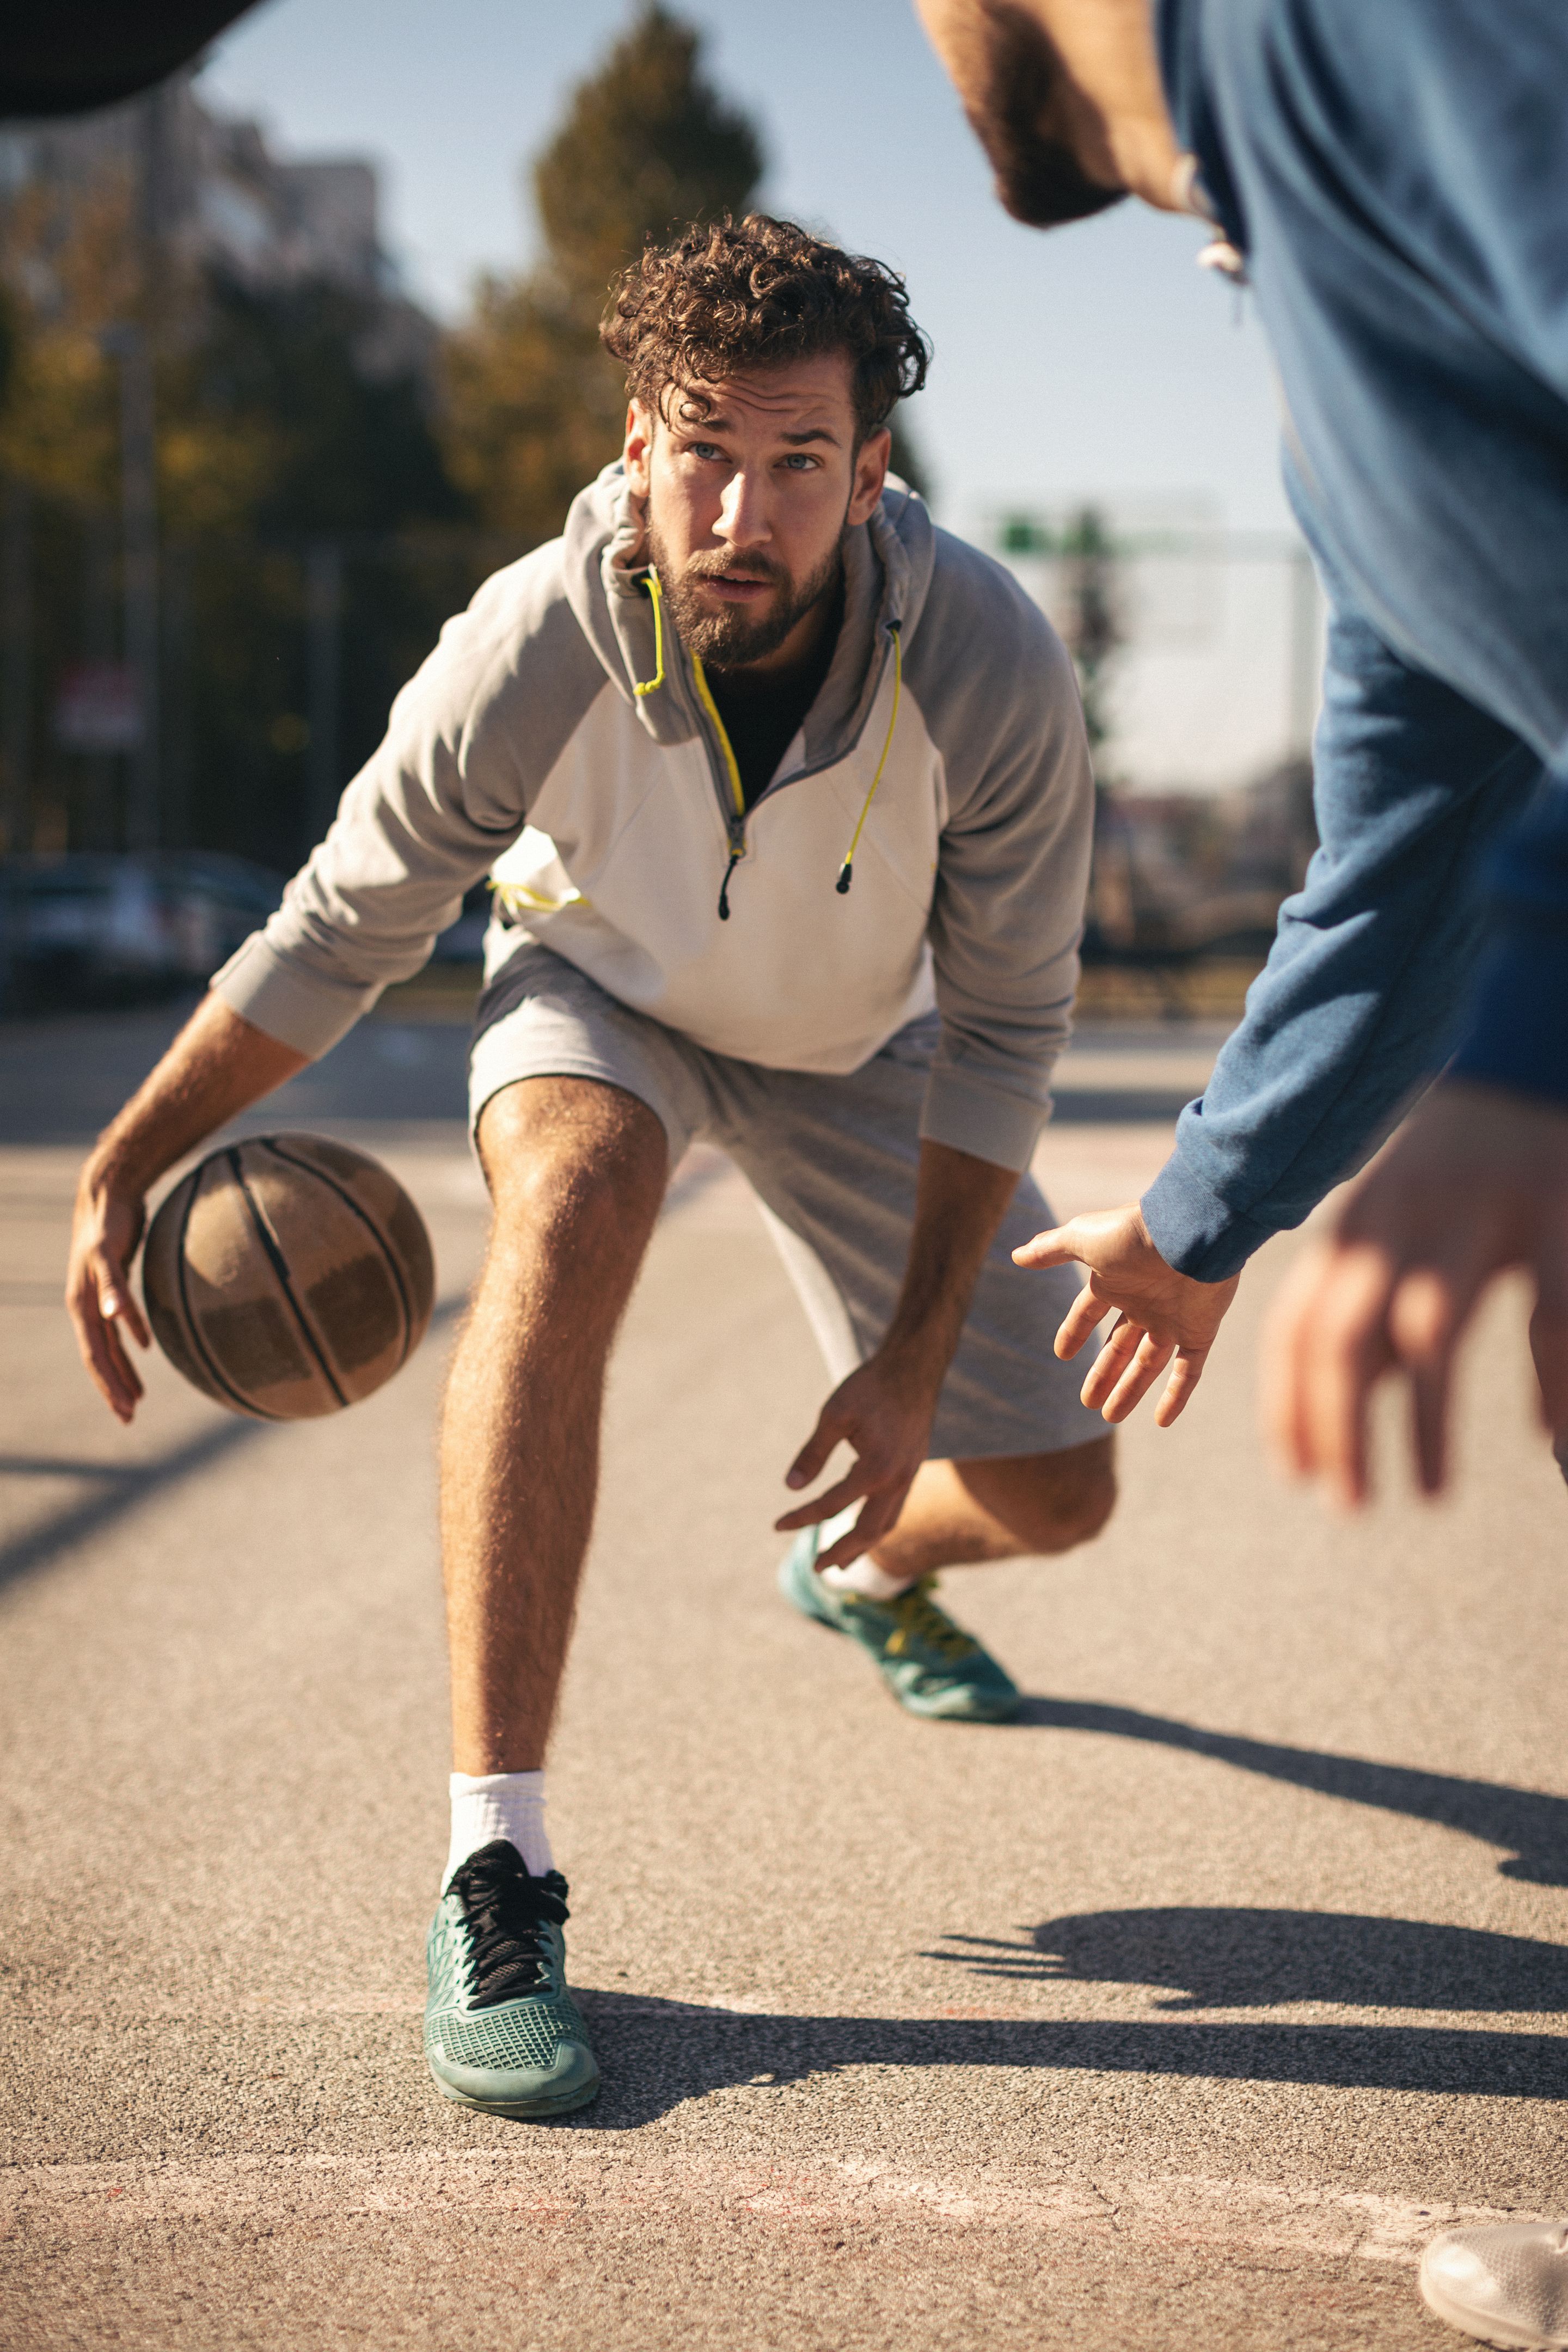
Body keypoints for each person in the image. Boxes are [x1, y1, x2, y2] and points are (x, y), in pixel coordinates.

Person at [66, 215, 1116, 2123]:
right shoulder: (535, 637)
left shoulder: (987, 666)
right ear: (638, 442)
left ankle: (863, 1565)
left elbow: (1011, 1029)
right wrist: (131, 1156)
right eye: (704, 446)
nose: (744, 503)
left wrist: (905, 1368)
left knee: (1053, 1496)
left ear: (872, 478)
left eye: (802, 461)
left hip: (866, 1047)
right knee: (572, 1205)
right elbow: (338, 924)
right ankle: (500, 1868)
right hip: (604, 997)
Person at [914, 2, 1568, 2340]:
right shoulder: (1301, 266)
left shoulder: (1374, 28)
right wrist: (1205, 1218)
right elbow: (1416, 820)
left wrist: (1542, 1037)